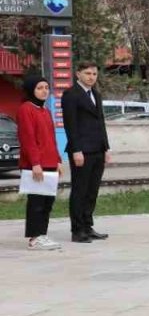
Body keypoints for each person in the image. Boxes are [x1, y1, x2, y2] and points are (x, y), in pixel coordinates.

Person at [61, 62, 111, 243]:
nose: (91, 77)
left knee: (92, 191)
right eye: (88, 73)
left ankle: (88, 226)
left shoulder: (95, 94)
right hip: (81, 151)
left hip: (97, 149)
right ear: (78, 74)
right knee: (80, 190)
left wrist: (106, 147)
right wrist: (76, 150)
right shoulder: (70, 94)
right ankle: (77, 230)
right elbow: (70, 125)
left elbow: (101, 123)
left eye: (94, 74)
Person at [17, 76, 63, 250]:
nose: (44, 91)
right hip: (36, 165)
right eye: (39, 88)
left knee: (47, 202)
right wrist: (35, 163)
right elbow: (28, 139)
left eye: (46, 87)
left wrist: (57, 160)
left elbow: (51, 139)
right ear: (31, 90)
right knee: (36, 202)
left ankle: (42, 234)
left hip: (50, 162)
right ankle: (34, 238)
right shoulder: (26, 109)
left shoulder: (45, 111)